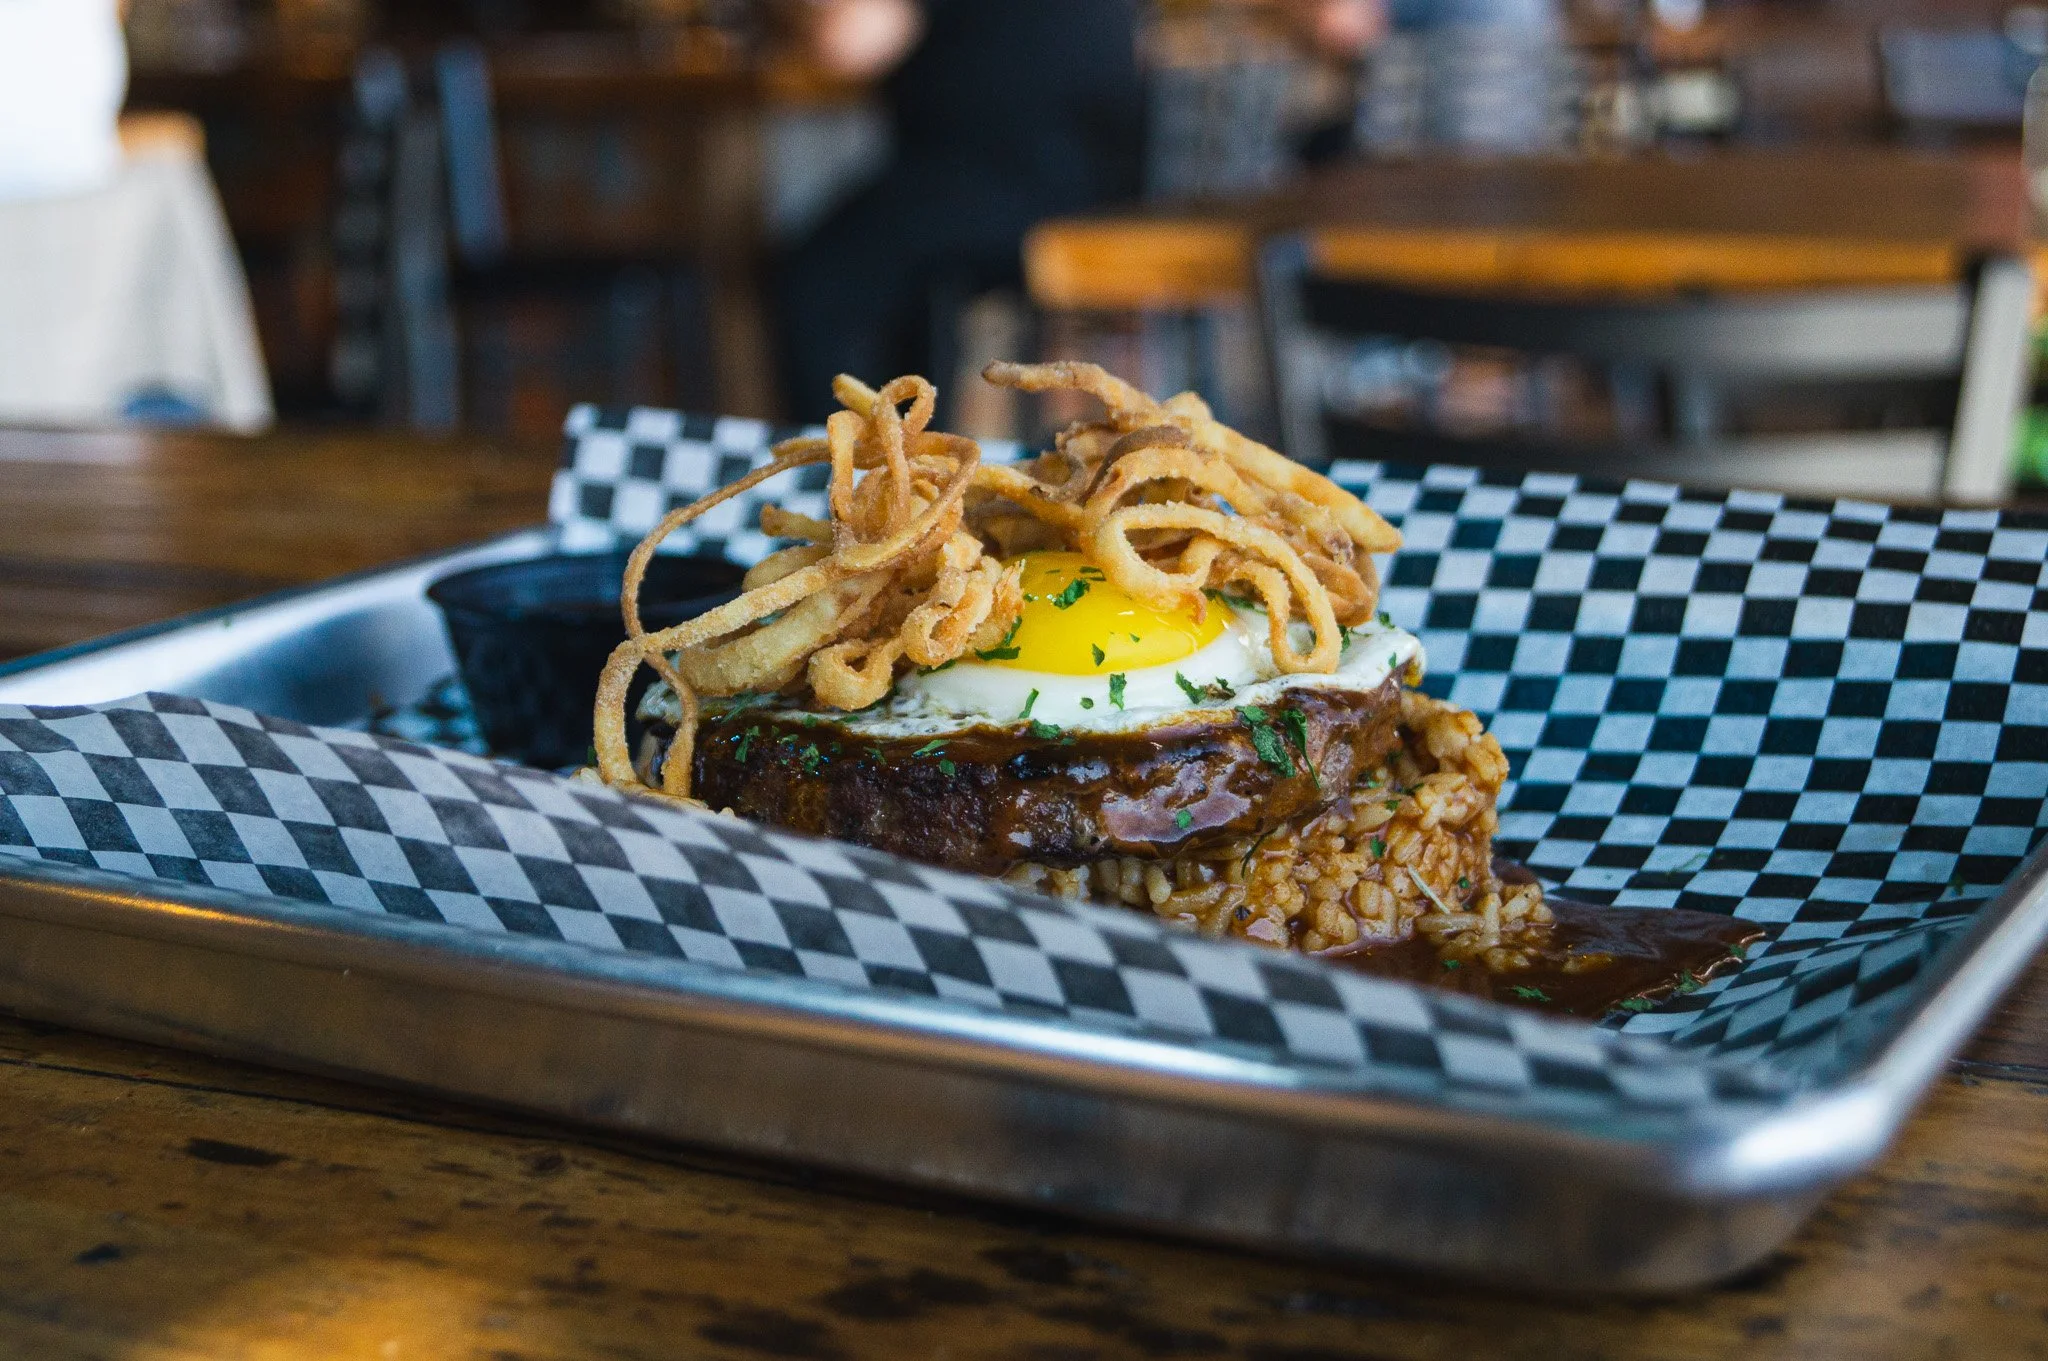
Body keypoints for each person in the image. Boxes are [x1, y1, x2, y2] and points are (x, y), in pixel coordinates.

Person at [773, 0, 1382, 421]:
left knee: (815, 282)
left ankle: (840, 492)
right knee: (904, 269)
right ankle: (911, 469)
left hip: (1006, 179)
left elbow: (849, 43)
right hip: (1107, 185)